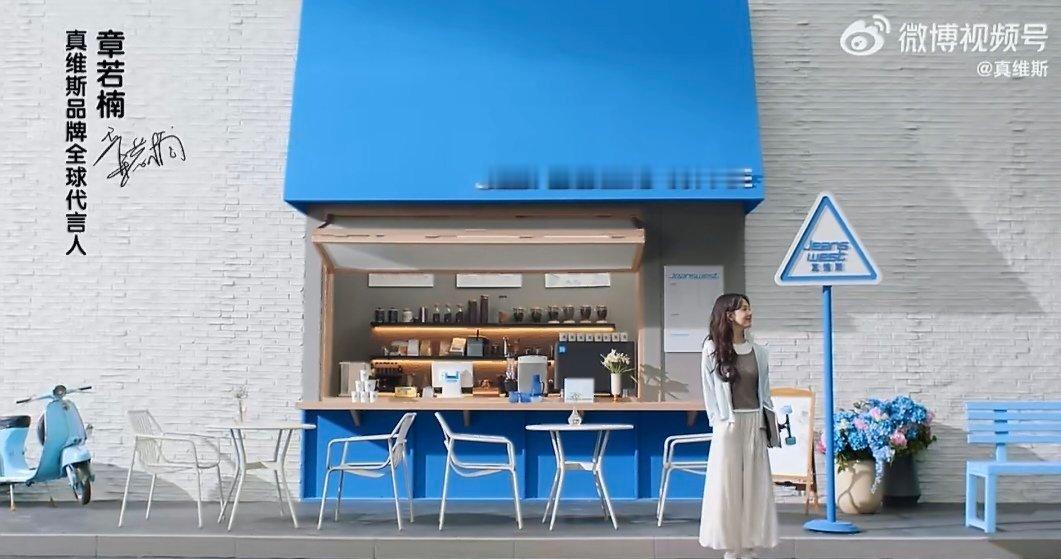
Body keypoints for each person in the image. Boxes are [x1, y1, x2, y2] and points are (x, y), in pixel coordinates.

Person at [699, 293, 779, 559]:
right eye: (743, 309)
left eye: (749, 307)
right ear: (729, 315)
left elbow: (764, 393)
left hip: (754, 423)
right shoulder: (712, 349)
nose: (749, 312)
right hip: (728, 425)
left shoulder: (760, 352)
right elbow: (709, 393)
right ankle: (731, 546)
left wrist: (769, 426)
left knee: (755, 487)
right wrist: (719, 424)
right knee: (727, 486)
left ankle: (749, 545)